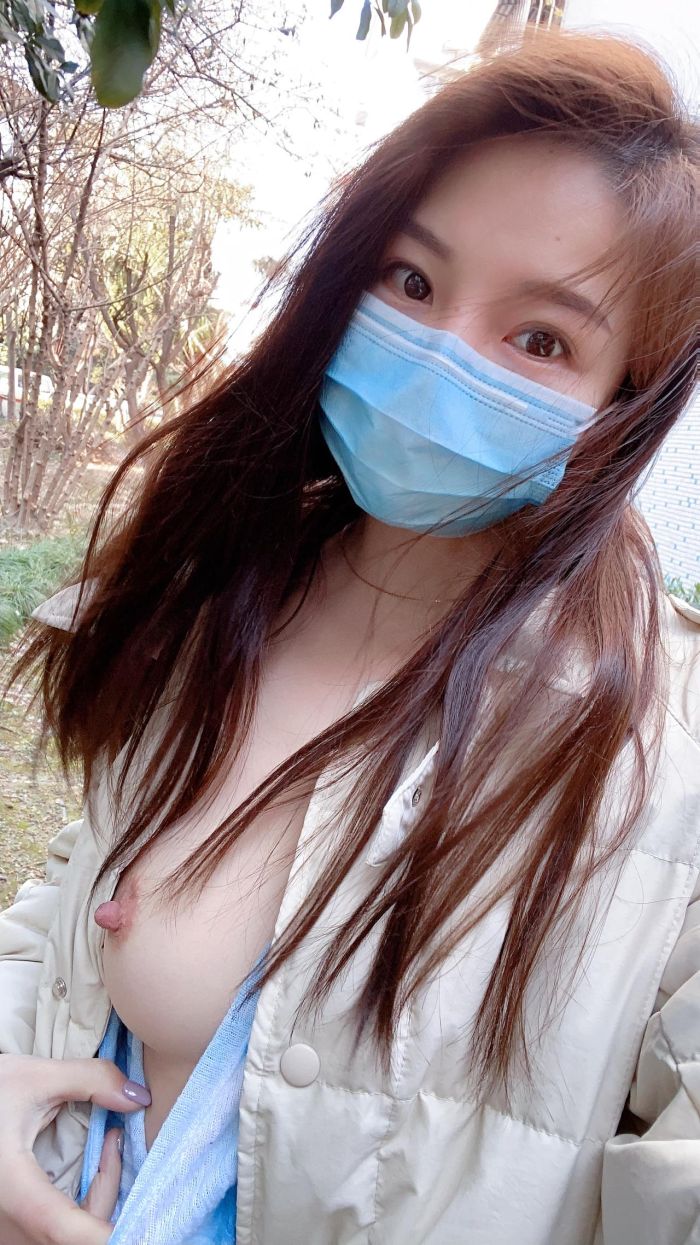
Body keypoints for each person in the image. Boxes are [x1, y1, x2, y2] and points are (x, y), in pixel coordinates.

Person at [0, 30, 698, 1245]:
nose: (438, 354)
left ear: (622, 407)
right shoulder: (223, 584)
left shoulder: (668, 754)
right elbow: (81, 875)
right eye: (410, 282)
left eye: (541, 339)